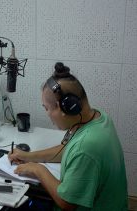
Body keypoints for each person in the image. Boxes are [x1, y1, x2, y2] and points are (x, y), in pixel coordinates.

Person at [8, 62, 128, 210]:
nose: (47, 114)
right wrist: (28, 156)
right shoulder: (99, 118)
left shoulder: (86, 147)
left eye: (46, 108)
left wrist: (38, 170)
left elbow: (67, 202)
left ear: (64, 107)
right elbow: (67, 150)